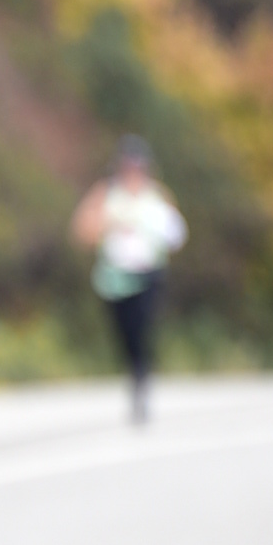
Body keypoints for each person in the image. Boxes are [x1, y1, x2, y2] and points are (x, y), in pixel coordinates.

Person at [71, 136, 187, 421]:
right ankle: (135, 372)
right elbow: (82, 231)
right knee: (125, 333)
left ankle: (141, 379)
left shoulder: (157, 195)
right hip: (116, 278)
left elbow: (176, 234)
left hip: (149, 274)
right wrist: (108, 225)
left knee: (143, 327)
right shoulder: (106, 194)